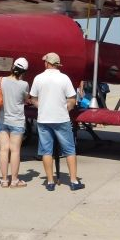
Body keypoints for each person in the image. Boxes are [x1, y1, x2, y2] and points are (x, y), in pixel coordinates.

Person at [29, 52, 84, 191]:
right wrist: (65, 109)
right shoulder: (64, 78)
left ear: (47, 63)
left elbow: (33, 98)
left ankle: (50, 181)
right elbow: (72, 99)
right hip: (61, 118)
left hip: (44, 118)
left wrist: (42, 107)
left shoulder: (38, 78)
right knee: (70, 150)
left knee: (46, 151)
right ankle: (73, 181)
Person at [0, 57, 30, 188]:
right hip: (17, 121)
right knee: (15, 150)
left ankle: (4, 180)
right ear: (24, 72)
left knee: (4, 149)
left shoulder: (0, 80)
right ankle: (14, 180)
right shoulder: (24, 85)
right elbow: (26, 99)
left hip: (1, 119)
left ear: (12, 67)